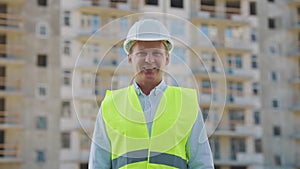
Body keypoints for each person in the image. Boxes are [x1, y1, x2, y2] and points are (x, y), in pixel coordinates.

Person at [89, 19, 214, 169]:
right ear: (130, 58)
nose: (149, 60)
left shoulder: (187, 104)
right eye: (142, 53)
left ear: (167, 58)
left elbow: (202, 164)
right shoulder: (110, 105)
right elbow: (98, 164)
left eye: (156, 53)